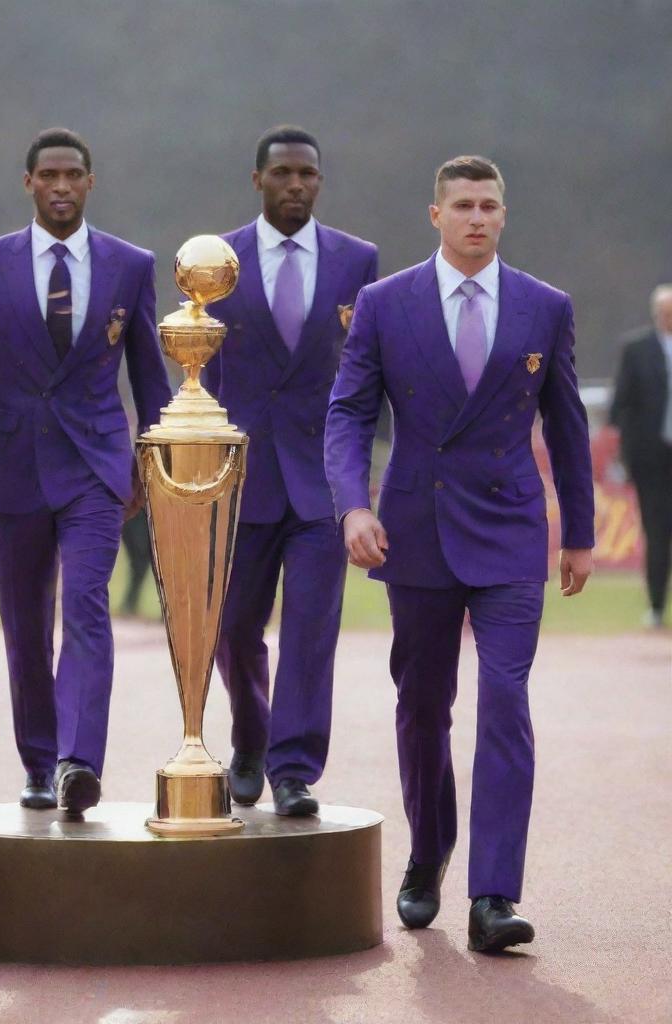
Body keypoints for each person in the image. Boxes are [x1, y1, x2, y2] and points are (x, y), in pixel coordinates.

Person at [325, 155, 594, 953]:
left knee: (505, 701)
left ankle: (493, 896)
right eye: (463, 206)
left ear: (503, 216)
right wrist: (352, 507)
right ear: (434, 216)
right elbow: (346, 416)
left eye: (489, 206)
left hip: (512, 530)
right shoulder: (384, 304)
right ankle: (426, 851)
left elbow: (569, 428)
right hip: (417, 529)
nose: (477, 218)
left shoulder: (545, 308)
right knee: (422, 706)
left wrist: (578, 531)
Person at [0, 127, 170, 815]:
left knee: (87, 607)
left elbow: (149, 374)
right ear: (29, 182)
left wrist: (150, 457)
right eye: (49, 175)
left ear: (90, 183)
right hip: (13, 463)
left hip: (99, 464)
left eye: (73, 175)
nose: (62, 186)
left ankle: (78, 761)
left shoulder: (130, 264)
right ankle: (39, 760)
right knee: (26, 623)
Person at [204, 126, 377, 815]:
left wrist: (362, 478)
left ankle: (295, 769)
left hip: (321, 482)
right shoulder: (215, 261)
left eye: (308, 173)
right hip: (238, 481)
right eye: (282, 173)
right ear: (258, 181)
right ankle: (252, 731)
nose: (296, 184)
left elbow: (365, 371)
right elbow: (199, 372)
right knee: (231, 628)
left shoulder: (356, 261)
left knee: (311, 627)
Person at [610, 285, 672, 628]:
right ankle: (657, 606)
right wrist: (626, 450)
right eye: (664, 311)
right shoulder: (636, 350)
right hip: (652, 459)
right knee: (657, 531)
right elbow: (620, 405)